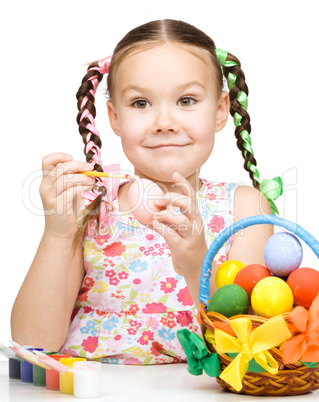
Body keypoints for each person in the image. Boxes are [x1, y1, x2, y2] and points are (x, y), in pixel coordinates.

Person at [11, 19, 280, 365]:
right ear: (115, 117)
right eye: (140, 103)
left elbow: (253, 344)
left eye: (186, 100)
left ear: (220, 110)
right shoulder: (90, 207)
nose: (164, 121)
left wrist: (197, 261)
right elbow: (33, 343)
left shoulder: (244, 209)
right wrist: (58, 234)